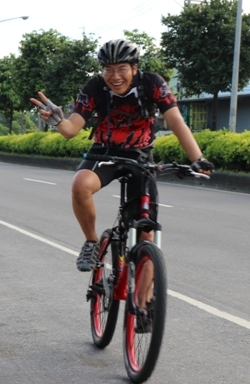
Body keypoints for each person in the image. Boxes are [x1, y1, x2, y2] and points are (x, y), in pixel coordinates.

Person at [30, 39, 214, 272]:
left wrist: (198, 158)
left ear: (134, 68)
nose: (115, 76)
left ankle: (145, 303)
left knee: (147, 237)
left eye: (121, 69)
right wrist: (59, 121)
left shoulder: (153, 83)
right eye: (109, 70)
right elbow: (71, 130)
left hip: (140, 155)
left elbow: (176, 120)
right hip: (104, 152)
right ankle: (91, 242)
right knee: (80, 186)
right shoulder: (95, 86)